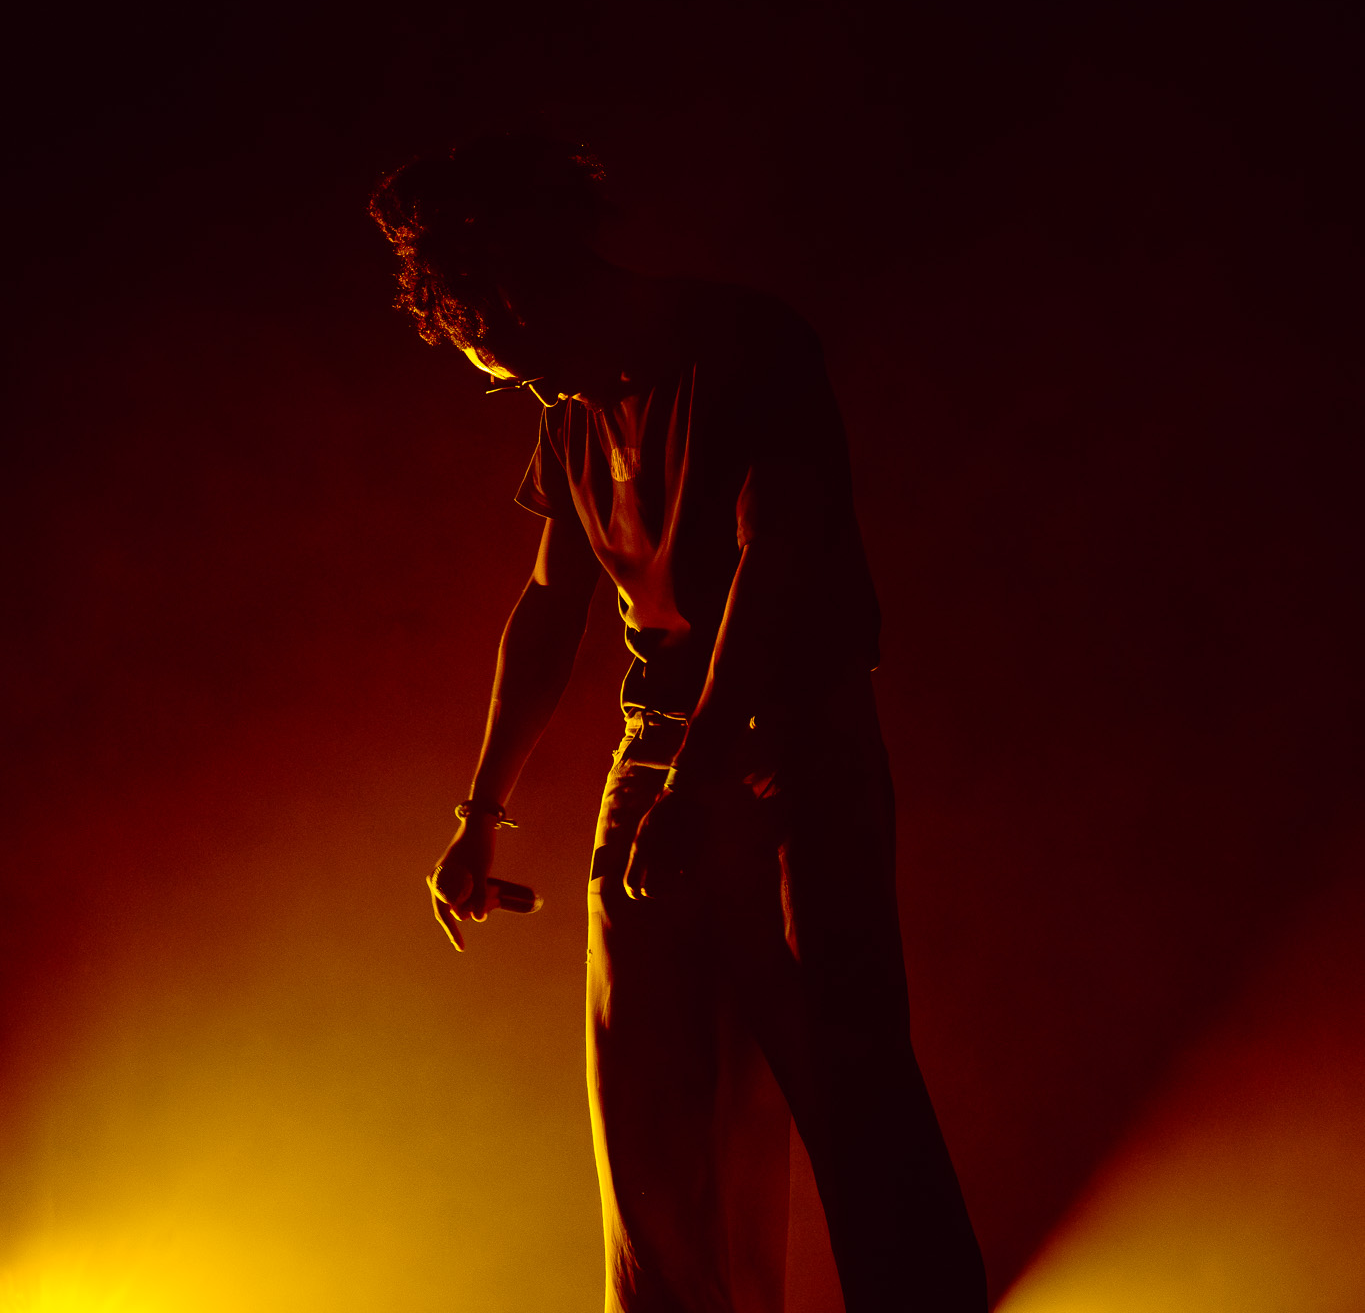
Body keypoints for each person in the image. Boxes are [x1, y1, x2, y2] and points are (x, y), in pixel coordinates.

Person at [370, 133, 987, 1313]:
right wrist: (481, 811)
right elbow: (551, 602)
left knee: (848, 1078)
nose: (525, 387)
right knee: (644, 1108)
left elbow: (779, 561)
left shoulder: (745, 342)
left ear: (530, 290)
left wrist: (697, 781)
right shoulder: (567, 407)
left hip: (794, 749)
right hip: (657, 748)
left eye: (512, 357)